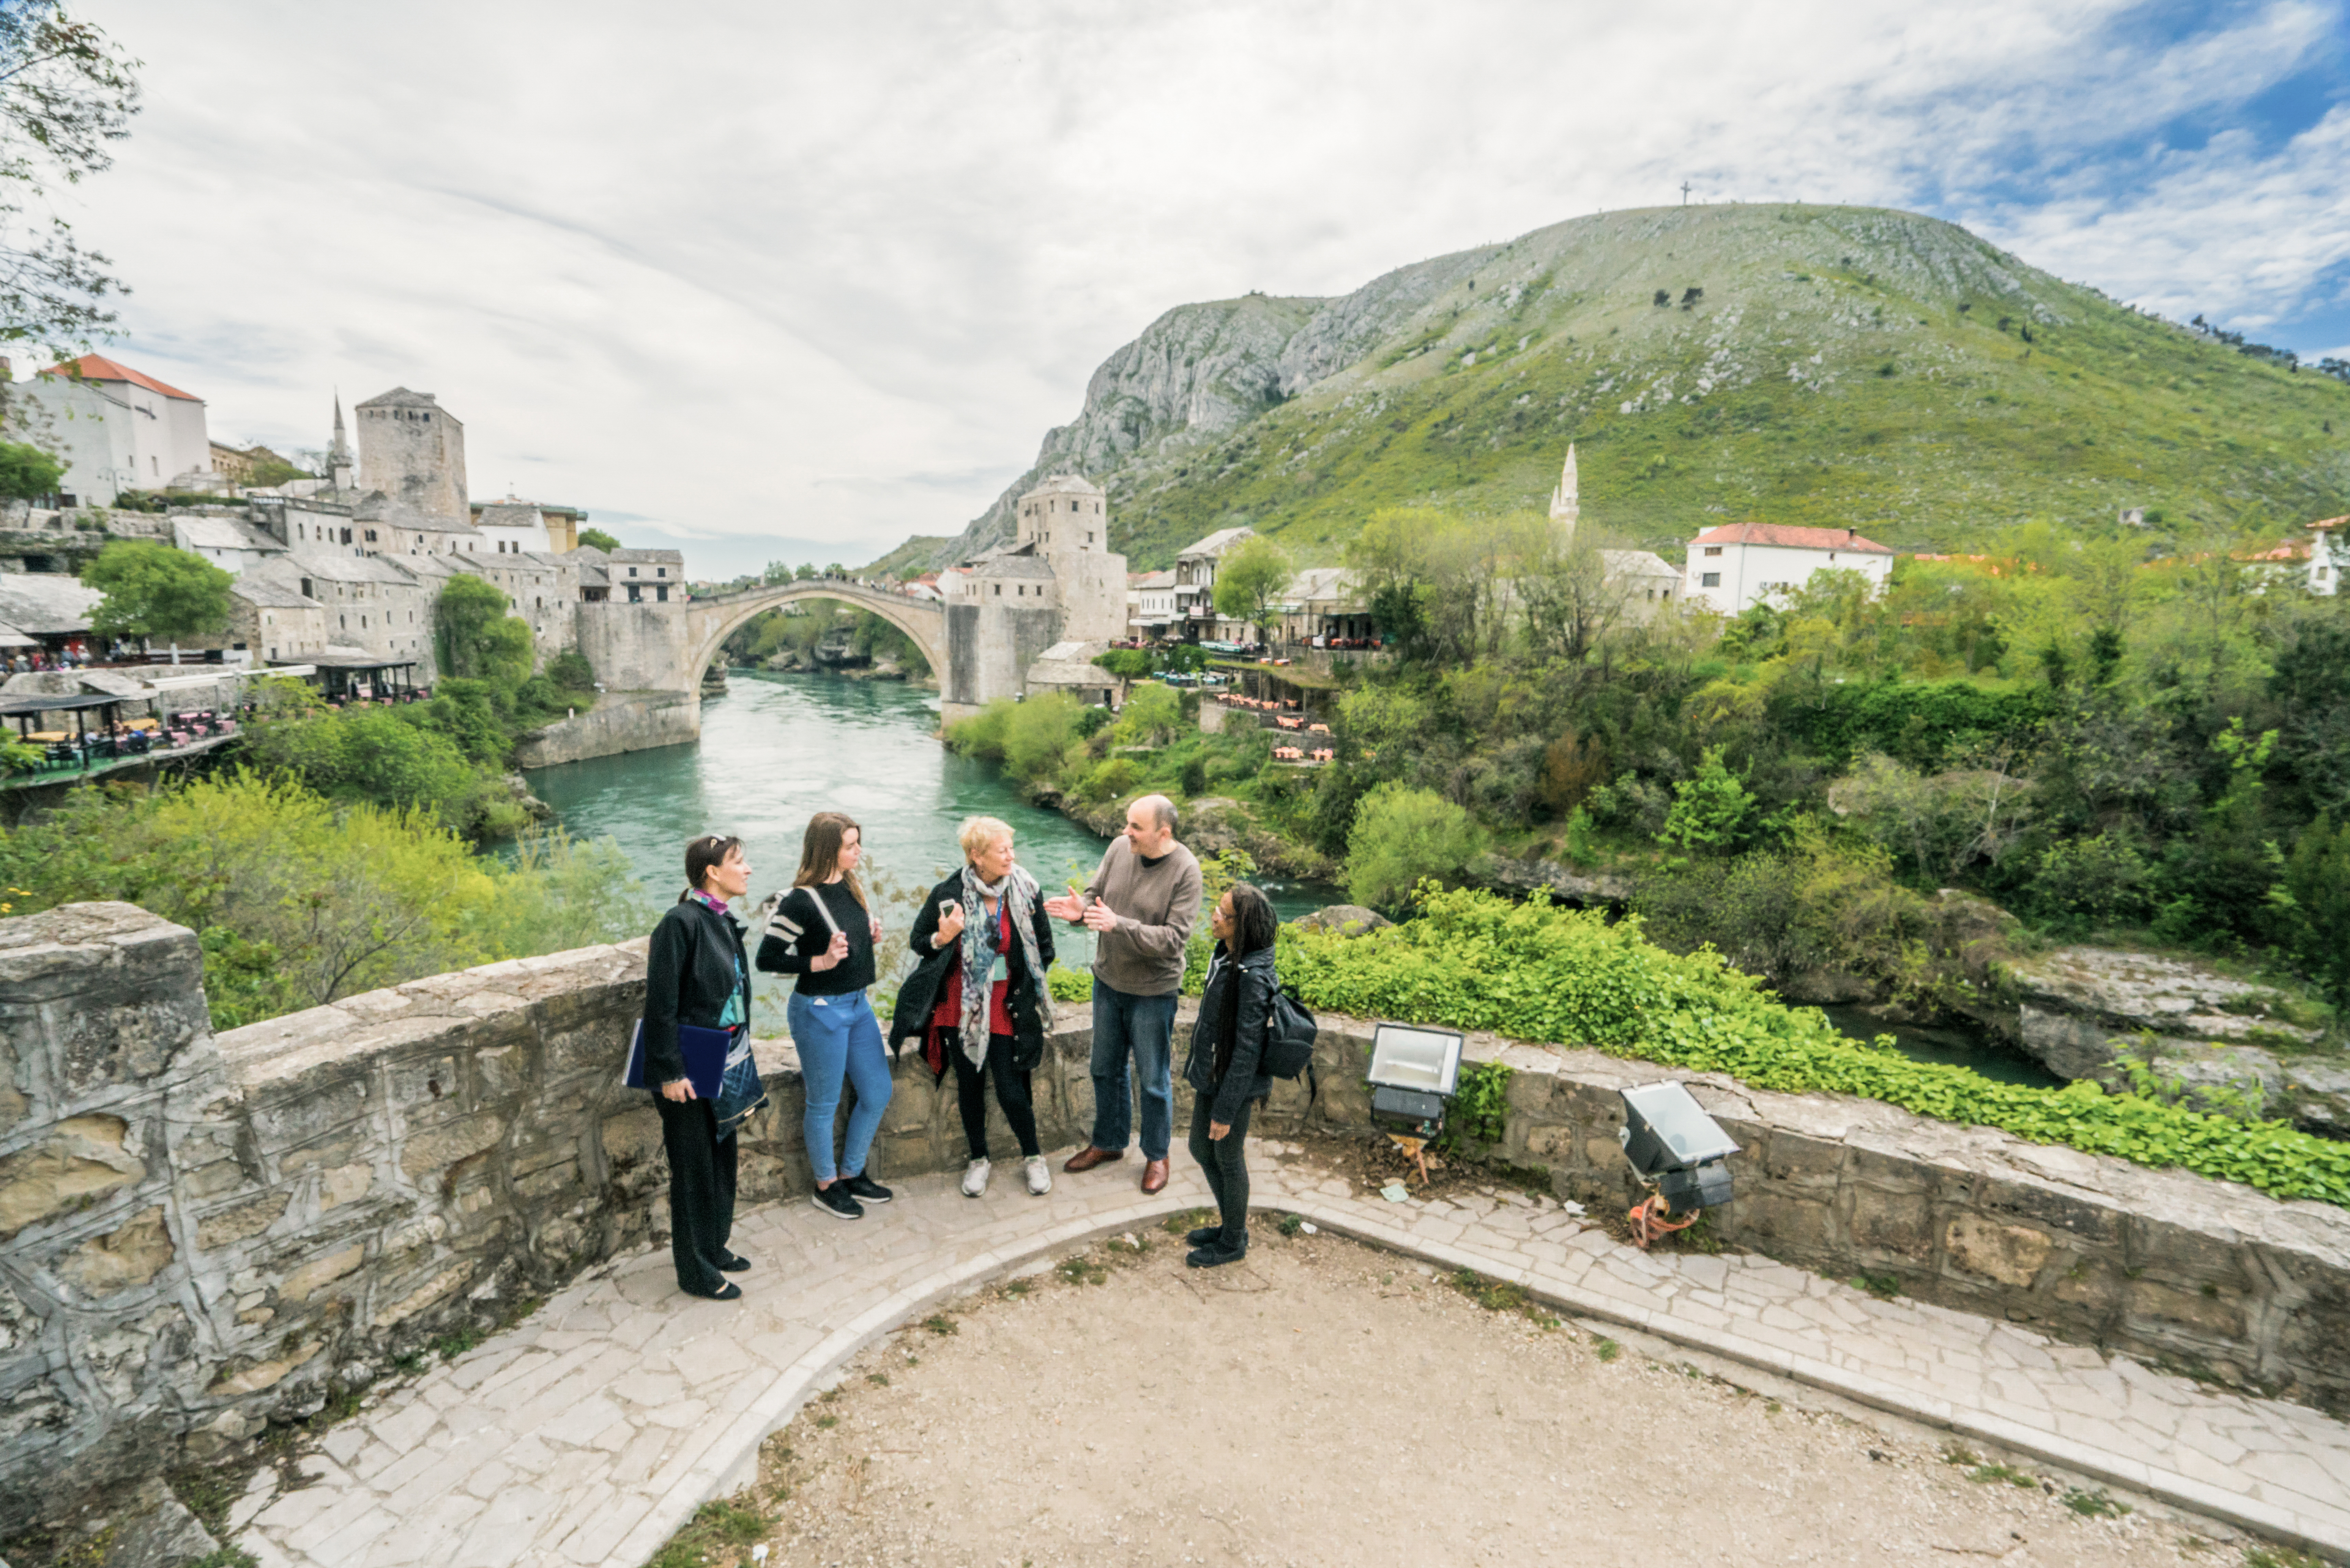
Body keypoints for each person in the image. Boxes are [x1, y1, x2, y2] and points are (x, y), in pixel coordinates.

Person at [890, 816, 1056, 1199]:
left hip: (1005, 1003)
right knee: (970, 1084)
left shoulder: (1027, 890)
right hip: (960, 1005)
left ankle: (1034, 1157)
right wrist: (942, 936)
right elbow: (920, 941)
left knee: (1011, 1088)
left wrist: (1025, 985)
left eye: (1013, 848)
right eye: (1003, 850)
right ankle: (979, 1159)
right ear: (975, 856)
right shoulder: (948, 893)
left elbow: (1044, 948)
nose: (1012, 856)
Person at [1044, 794, 1201, 1194]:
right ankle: (1110, 1143)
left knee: (1153, 1080)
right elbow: (1097, 898)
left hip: (1154, 992)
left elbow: (1174, 940)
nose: (1125, 833)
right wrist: (1081, 911)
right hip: (1109, 983)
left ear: (1163, 833)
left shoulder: (1186, 870)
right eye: (1127, 823)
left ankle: (1157, 1155)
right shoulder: (1118, 849)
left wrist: (1119, 925)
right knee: (1103, 1069)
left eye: (1136, 827)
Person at [758, 811, 894, 1221]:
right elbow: (767, 958)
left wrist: (868, 933)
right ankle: (826, 1185)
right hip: (820, 1011)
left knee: (877, 1092)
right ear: (827, 851)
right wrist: (821, 960)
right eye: (850, 846)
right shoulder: (800, 900)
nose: (858, 851)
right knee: (824, 1103)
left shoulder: (851, 887)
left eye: (858, 843)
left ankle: (852, 1174)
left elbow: (845, 937)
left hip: (857, 1005)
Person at [641, 834, 760, 1301]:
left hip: (725, 1053)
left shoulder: (720, 918)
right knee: (693, 1167)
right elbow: (661, 1003)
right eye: (739, 860)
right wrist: (670, 1072)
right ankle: (695, 1270)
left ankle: (713, 1245)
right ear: (712, 871)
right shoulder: (680, 922)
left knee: (722, 1156)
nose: (748, 868)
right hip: (688, 1062)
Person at [1180, 882, 1278, 1267]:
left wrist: (1225, 1110)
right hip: (1213, 1075)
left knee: (1228, 1156)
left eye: (1223, 914)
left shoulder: (1252, 976)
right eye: (1217, 908)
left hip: (1231, 1085)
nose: (1214, 916)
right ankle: (1230, 1225)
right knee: (1201, 1149)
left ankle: (1234, 1239)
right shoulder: (1227, 956)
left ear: (1244, 925)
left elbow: (1248, 1052)